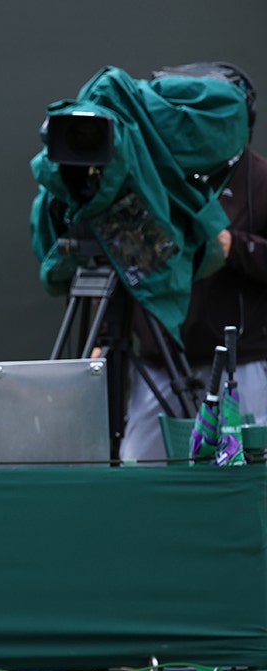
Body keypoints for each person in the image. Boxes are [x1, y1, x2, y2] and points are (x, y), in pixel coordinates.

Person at [121, 62, 267, 462]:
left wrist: (234, 247)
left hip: (244, 366)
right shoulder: (150, 177)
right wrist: (104, 340)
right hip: (158, 365)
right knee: (140, 466)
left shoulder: (260, 180)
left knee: (247, 476)